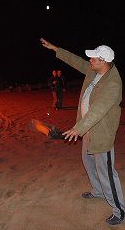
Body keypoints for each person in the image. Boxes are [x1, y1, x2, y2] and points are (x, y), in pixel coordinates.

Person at [40, 37, 125, 225]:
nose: (90, 60)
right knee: (88, 163)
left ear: (103, 61)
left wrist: (77, 129)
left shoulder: (113, 83)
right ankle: (98, 191)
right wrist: (56, 48)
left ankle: (119, 209)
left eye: (94, 58)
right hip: (87, 130)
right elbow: (75, 60)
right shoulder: (95, 71)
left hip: (100, 134)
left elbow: (99, 109)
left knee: (107, 172)